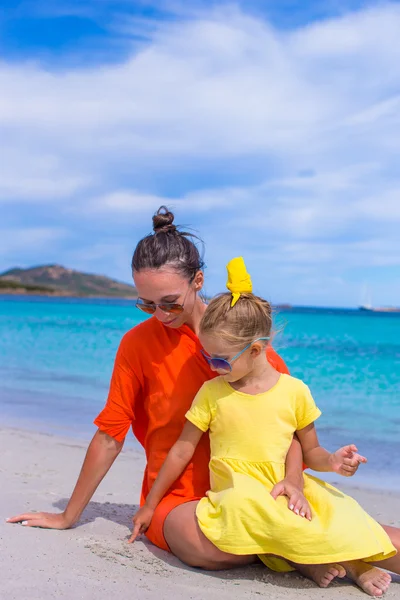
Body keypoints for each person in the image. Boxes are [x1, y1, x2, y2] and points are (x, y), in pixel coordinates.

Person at [6, 207, 400, 592]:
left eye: (169, 302)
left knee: (356, 528)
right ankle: (311, 551)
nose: (159, 314)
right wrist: (68, 516)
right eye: (146, 303)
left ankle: (318, 547)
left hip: (258, 491)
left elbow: (292, 432)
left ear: (198, 280)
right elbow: (111, 433)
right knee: (202, 547)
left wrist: (296, 482)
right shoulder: (136, 345)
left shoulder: (244, 342)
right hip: (179, 500)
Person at [130, 256, 398, 597]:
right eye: (206, 357)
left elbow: (308, 449)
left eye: (219, 360)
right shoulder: (212, 392)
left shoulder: (293, 390)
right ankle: (326, 562)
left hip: (286, 485)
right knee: (256, 511)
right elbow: (181, 449)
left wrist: (333, 462)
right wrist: (151, 504)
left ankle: (353, 563)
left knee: (343, 515)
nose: (212, 367)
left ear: (256, 350)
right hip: (239, 494)